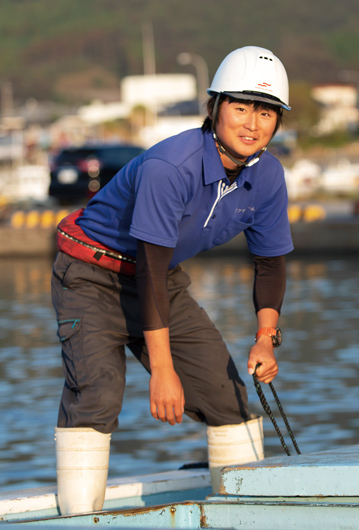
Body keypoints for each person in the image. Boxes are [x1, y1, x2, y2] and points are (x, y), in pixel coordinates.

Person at [50, 46, 293, 514]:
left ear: (277, 121)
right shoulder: (171, 167)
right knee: (98, 395)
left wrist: (266, 339)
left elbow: (270, 263)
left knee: (229, 398)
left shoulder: (268, 176)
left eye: (265, 112)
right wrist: (163, 371)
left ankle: (243, 516)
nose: (252, 123)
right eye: (240, 107)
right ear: (215, 107)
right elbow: (150, 269)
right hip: (90, 275)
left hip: (161, 283)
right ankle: (79, 520)